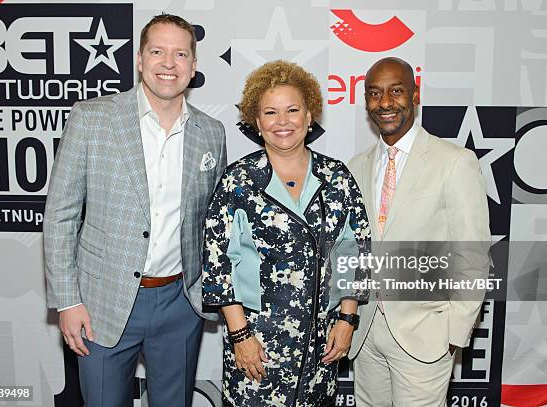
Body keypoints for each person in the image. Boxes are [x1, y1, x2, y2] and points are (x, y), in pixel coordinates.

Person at [43, 13, 227, 407]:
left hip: (181, 302)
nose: (168, 63)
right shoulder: (92, 119)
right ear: (140, 59)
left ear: (193, 67)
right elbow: (60, 214)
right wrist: (68, 300)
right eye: (157, 51)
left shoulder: (211, 132)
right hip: (101, 303)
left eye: (180, 54)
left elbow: (213, 221)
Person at [202, 60, 371, 406]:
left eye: (293, 110)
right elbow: (218, 267)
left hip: (322, 347)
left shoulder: (336, 178)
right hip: (256, 349)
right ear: (257, 122)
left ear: (310, 117)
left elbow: (355, 252)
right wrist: (241, 336)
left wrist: (347, 319)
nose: (283, 122)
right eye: (271, 112)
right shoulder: (238, 182)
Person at [347, 57, 491, 406]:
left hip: (425, 335)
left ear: (415, 94)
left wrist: (452, 331)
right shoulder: (355, 167)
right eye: (374, 93)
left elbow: (471, 253)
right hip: (365, 334)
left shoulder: (454, 161)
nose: (385, 103)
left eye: (396, 91)